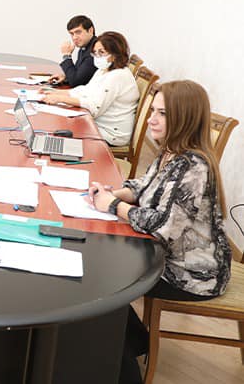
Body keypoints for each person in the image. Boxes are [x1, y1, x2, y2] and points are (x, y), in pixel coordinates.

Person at [86, 80, 231, 383]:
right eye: (153, 111)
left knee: (104, 279)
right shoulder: (171, 152)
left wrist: (113, 206)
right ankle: (133, 341)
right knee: (99, 266)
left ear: (185, 118)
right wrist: (115, 193)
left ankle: (124, 369)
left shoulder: (194, 167)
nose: (151, 119)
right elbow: (145, 186)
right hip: (166, 255)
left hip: (193, 274)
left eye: (162, 113)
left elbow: (163, 226)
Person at [41, 31, 138, 146]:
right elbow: (86, 90)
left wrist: (60, 99)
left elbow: (94, 108)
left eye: (102, 52)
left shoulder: (118, 76)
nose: (97, 57)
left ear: (115, 54)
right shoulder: (104, 70)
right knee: (60, 126)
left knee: (62, 131)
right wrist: (56, 93)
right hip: (99, 124)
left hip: (111, 134)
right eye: (95, 53)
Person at [51, 15, 97, 86]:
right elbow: (79, 74)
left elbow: (75, 82)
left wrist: (66, 56)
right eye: (72, 34)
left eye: (78, 32)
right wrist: (66, 77)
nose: (74, 37)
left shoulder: (95, 50)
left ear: (90, 30)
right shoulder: (85, 47)